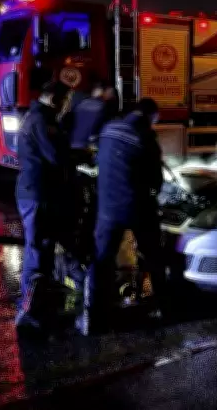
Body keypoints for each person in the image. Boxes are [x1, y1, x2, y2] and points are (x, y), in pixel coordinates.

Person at [76, 98, 166, 336]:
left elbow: (100, 162)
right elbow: (156, 180)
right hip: (137, 209)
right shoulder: (146, 136)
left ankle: (93, 317)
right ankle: (159, 307)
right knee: (152, 255)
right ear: (150, 116)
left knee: (102, 259)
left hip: (107, 209)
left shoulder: (108, 129)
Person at [14, 80, 74, 330]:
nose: (67, 108)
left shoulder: (37, 116)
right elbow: (55, 156)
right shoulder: (42, 120)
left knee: (43, 247)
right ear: (54, 99)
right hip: (38, 193)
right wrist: (77, 156)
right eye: (65, 102)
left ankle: (39, 307)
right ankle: (28, 312)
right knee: (37, 251)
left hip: (36, 192)